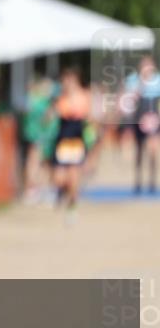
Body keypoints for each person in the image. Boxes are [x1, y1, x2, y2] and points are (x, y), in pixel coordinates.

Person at [51, 68, 94, 223]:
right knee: (59, 179)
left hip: (76, 142)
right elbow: (51, 116)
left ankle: (72, 207)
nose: (66, 84)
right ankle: (62, 193)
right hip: (62, 141)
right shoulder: (60, 98)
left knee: (74, 177)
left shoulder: (84, 97)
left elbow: (90, 119)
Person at [125, 55, 160, 194]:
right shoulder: (133, 80)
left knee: (153, 150)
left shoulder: (158, 79)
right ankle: (138, 181)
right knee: (139, 150)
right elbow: (131, 98)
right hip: (139, 116)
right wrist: (142, 82)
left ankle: (152, 182)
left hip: (153, 117)